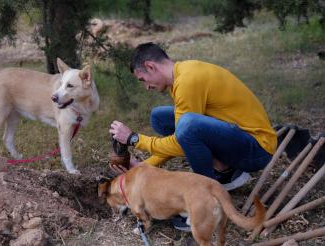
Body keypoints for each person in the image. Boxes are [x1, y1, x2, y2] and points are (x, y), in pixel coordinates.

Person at [109, 42, 276, 202]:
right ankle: (226, 170)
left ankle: (206, 198)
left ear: (151, 66)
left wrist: (135, 139)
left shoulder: (188, 81)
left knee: (188, 125)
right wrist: (144, 166)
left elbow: (183, 140)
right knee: (159, 117)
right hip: (238, 137)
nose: (146, 87)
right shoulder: (184, 72)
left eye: (142, 79)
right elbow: (182, 136)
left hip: (256, 150)